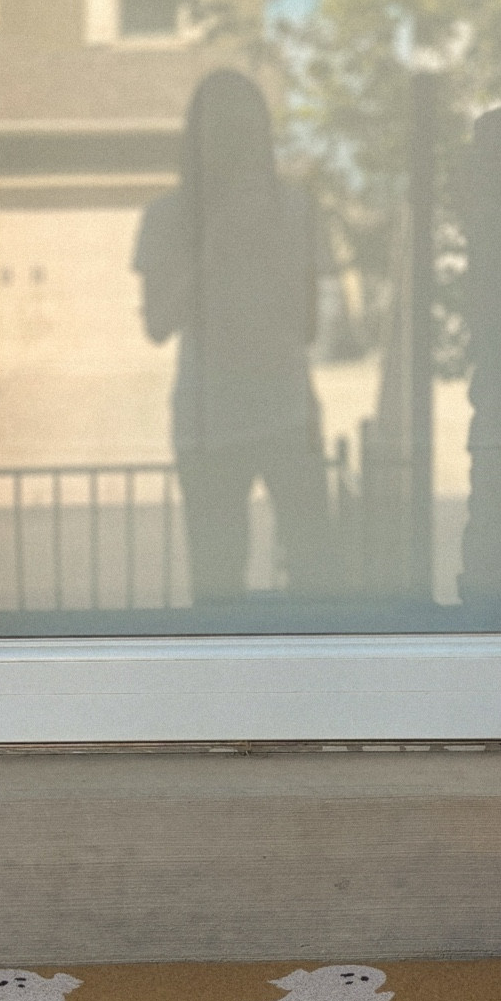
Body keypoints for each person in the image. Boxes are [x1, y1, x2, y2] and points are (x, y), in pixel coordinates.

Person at [135, 70, 330, 603]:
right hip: (209, 422)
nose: (231, 149)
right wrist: (212, 253)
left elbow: (309, 326)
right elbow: (157, 325)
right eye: (219, 134)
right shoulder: (168, 218)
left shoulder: (296, 211)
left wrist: (265, 256)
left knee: (316, 578)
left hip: (287, 412)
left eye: (242, 134)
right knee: (218, 585)